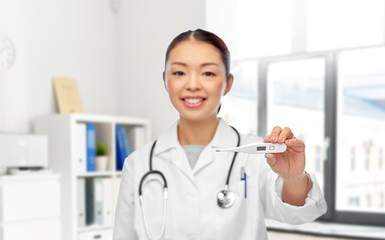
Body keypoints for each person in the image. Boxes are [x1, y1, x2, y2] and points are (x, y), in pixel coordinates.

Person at [113, 29, 327, 240]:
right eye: (179, 72)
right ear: (165, 80)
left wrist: (294, 178)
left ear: (228, 83)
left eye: (208, 73)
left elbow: (300, 212)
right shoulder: (138, 164)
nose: (193, 84)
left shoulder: (257, 155)